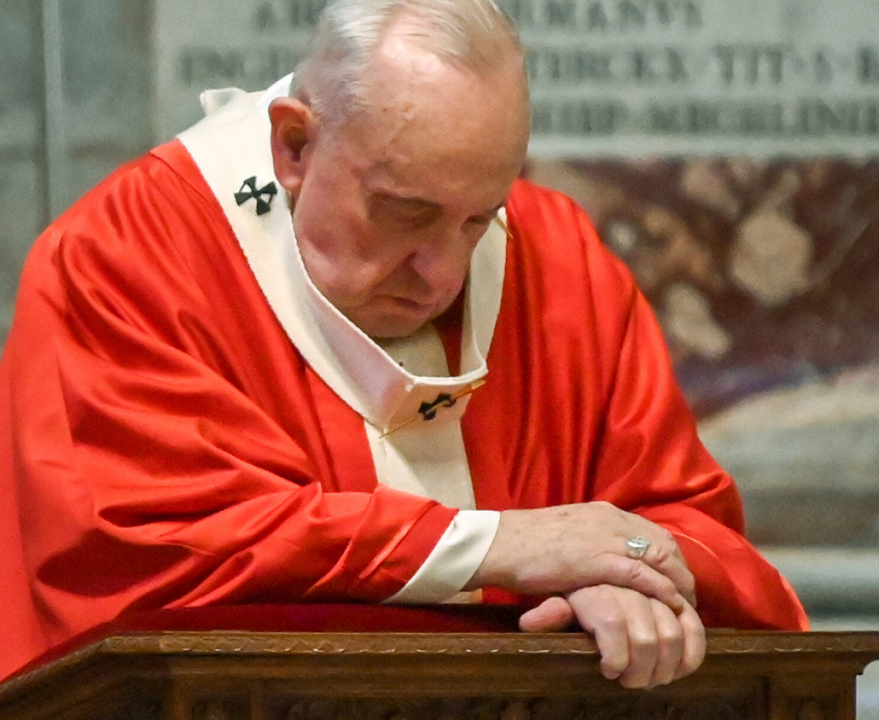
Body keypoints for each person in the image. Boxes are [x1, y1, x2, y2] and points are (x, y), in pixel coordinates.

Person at [0, 0, 806, 688]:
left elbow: (683, 520)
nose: (443, 275)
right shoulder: (127, 258)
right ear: (294, 147)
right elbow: (159, 546)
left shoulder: (555, 255)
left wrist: (627, 582)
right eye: (405, 213)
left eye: (477, 217)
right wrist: (512, 547)